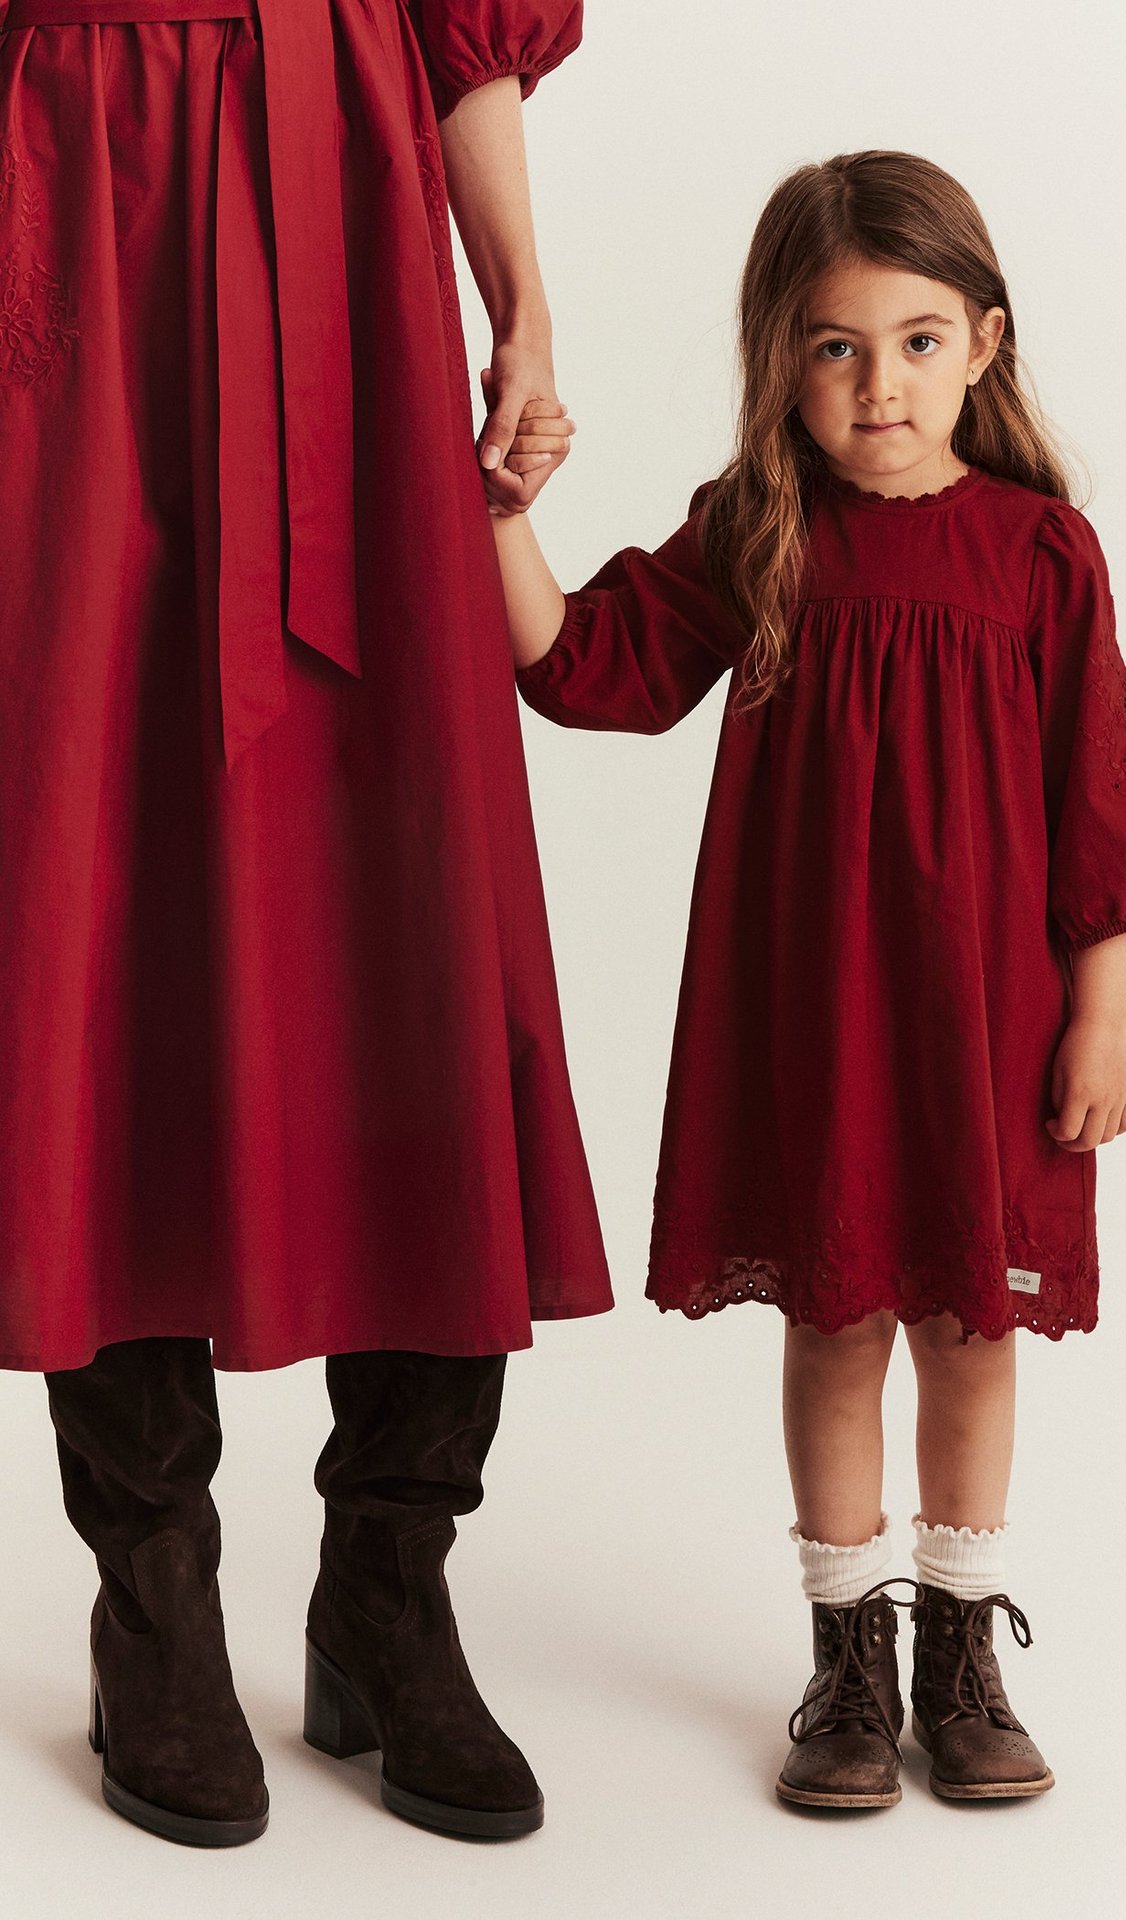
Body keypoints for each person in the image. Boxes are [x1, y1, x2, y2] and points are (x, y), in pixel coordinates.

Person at [492, 149, 1126, 1810]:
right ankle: (846, 1661)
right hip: (818, 1018)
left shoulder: (1042, 552)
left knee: (972, 1331)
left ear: (984, 343)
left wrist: (1103, 1016)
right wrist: (500, 515)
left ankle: (961, 1652)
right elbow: (582, 666)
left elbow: (1102, 804)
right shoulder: (760, 531)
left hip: (987, 1025)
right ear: (781, 360)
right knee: (834, 1321)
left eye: (918, 342)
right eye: (836, 348)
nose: (880, 385)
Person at [0, 0, 611, 1847]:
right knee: (99, 919)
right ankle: (153, 1613)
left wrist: (522, 307)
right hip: (77, 253)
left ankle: (388, 1596)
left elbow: (464, 32)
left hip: (352, 245)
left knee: (409, 926)